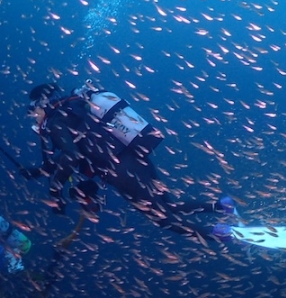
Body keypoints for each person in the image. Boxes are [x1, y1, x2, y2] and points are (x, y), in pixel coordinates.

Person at [21, 81, 235, 242]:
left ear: (42, 104)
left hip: (120, 172)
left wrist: (55, 193)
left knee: (163, 219)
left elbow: (72, 156)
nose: (34, 117)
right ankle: (222, 206)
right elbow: (73, 151)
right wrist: (38, 172)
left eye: (33, 111)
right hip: (134, 156)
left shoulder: (56, 122)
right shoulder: (76, 107)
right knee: (168, 205)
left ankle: (224, 235)